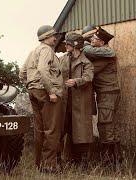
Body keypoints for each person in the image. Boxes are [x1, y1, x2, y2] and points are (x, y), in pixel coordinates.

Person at [19, 25, 64, 173]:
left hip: (34, 92)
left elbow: (22, 72)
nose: (55, 38)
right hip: (46, 93)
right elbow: (43, 70)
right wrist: (51, 91)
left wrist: (30, 86)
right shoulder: (46, 50)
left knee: (39, 130)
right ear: (45, 38)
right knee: (51, 129)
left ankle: (39, 164)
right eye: (52, 36)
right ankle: (49, 166)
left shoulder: (34, 51)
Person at [82, 26, 122, 165]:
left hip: (108, 93)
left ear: (102, 43)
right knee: (109, 124)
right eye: (92, 37)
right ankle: (115, 158)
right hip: (108, 93)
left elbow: (91, 69)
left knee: (105, 124)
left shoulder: (105, 56)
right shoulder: (101, 54)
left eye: (96, 39)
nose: (92, 39)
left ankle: (109, 160)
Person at [59, 33, 94, 164]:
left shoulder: (87, 63)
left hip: (79, 104)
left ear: (76, 46)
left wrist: (76, 81)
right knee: (61, 130)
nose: (66, 46)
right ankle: (59, 160)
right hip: (64, 102)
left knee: (80, 133)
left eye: (68, 44)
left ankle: (81, 163)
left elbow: (88, 77)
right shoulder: (62, 59)